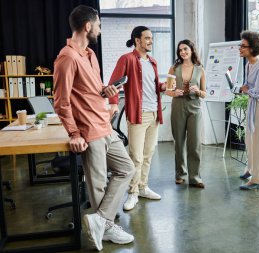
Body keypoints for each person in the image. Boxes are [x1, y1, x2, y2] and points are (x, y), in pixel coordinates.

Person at [53, 5, 136, 251]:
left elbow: (93, 89)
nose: (99, 30)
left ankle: (100, 220)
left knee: (127, 168)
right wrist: (74, 133)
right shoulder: (66, 58)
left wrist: (106, 91)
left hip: (105, 126)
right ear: (88, 26)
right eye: (98, 25)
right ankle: (106, 229)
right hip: (89, 131)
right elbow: (61, 101)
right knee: (97, 185)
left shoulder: (89, 55)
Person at [108, 26, 166, 211]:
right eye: (147, 38)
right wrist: (114, 103)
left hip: (154, 114)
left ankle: (142, 187)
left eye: (151, 38)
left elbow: (154, 86)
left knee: (148, 155)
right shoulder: (127, 59)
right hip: (138, 115)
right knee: (136, 157)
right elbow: (114, 84)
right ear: (137, 40)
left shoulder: (153, 62)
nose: (151, 41)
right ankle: (132, 193)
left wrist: (164, 87)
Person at [165, 39, 206, 188]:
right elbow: (167, 90)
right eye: (180, 50)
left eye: (185, 49)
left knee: (194, 144)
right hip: (178, 106)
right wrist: (174, 93)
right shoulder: (174, 68)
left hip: (195, 107)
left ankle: (195, 177)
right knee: (179, 142)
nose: (182, 52)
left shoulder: (200, 69)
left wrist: (198, 91)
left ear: (191, 50)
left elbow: (204, 93)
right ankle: (180, 174)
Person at [238, 31, 259, 190]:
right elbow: (248, 86)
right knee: (250, 140)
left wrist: (246, 90)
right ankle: (251, 169)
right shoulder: (248, 64)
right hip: (253, 103)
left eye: (243, 46)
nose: (240, 48)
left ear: (252, 48)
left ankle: (258, 180)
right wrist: (243, 88)